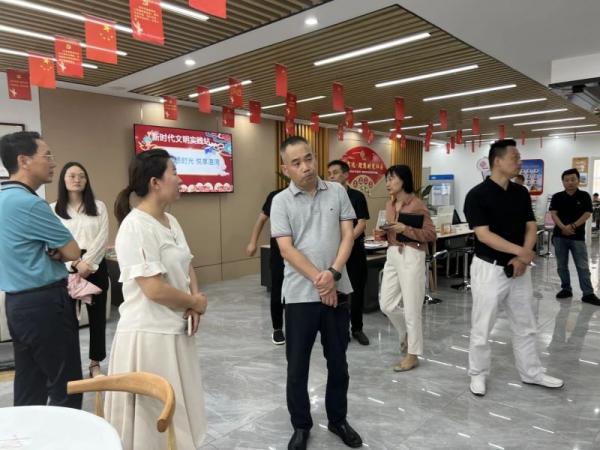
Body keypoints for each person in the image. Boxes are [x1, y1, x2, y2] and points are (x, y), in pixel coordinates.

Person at [105, 149, 207, 450]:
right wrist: (194, 302)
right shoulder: (135, 226)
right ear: (155, 182)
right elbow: (154, 289)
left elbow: (187, 263)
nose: (180, 179)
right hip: (149, 336)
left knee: (177, 411)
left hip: (175, 330)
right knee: (151, 423)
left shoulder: (170, 221)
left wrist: (194, 299)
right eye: (174, 172)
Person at [271, 136, 362, 450]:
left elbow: (348, 235)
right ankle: (301, 425)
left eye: (308, 158)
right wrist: (321, 281)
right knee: (297, 367)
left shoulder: (337, 191)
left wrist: (333, 274)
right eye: (296, 163)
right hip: (300, 296)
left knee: (338, 364)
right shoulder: (280, 201)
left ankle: (338, 420)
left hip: (338, 289)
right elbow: (286, 249)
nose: (305, 167)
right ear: (285, 168)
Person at [463, 139, 564, 396]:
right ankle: (478, 373)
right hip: (489, 268)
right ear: (497, 161)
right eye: (515, 157)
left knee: (525, 322)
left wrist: (522, 258)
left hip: (519, 269)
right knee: (482, 325)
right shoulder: (477, 195)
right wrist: (522, 252)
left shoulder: (520, 192)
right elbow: (484, 235)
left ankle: (532, 372)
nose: (519, 162)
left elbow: (530, 226)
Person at [0, 131, 82, 408]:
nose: (53, 163)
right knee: (66, 386)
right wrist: (56, 251)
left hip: (16, 304)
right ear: (23, 160)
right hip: (45, 304)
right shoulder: (30, 203)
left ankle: (25, 432)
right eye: (47, 156)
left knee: (29, 383)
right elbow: (72, 251)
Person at [374, 165, 436, 372]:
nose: (388, 183)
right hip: (392, 253)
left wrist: (406, 229)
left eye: (392, 179)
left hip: (412, 254)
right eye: (387, 179)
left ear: (404, 180)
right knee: (386, 304)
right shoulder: (390, 204)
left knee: (412, 308)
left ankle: (413, 354)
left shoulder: (417, 205)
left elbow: (430, 234)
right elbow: (392, 231)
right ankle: (406, 334)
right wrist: (383, 233)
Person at [51, 162, 110, 377]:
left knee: (97, 319)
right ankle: (70, 365)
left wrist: (88, 264)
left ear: (87, 180)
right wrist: (75, 263)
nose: (77, 179)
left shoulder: (99, 206)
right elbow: (54, 242)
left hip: (96, 267)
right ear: (63, 180)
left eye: (82, 176)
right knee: (67, 321)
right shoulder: (53, 209)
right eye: (72, 175)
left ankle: (95, 363)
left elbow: (102, 238)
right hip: (67, 268)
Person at [327, 160, 370, 345]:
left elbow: (362, 223)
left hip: (354, 251)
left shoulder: (357, 196)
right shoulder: (327, 198)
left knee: (357, 291)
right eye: (329, 173)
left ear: (346, 175)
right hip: (333, 252)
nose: (331, 177)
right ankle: (341, 329)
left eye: (335, 173)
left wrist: (347, 240)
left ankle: (357, 329)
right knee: (338, 291)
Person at [549, 169, 600, 305]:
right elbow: (553, 214)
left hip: (577, 237)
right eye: (566, 180)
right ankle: (566, 289)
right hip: (559, 236)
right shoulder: (557, 196)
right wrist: (563, 227)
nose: (570, 182)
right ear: (563, 182)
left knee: (582, 266)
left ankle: (588, 293)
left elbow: (587, 213)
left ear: (578, 180)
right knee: (561, 265)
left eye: (573, 179)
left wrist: (572, 226)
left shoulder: (584, 196)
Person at [246, 188, 286, 344]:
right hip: (279, 251)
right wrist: (252, 242)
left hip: (302, 250)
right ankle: (277, 328)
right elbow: (261, 219)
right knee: (277, 288)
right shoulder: (275, 196)